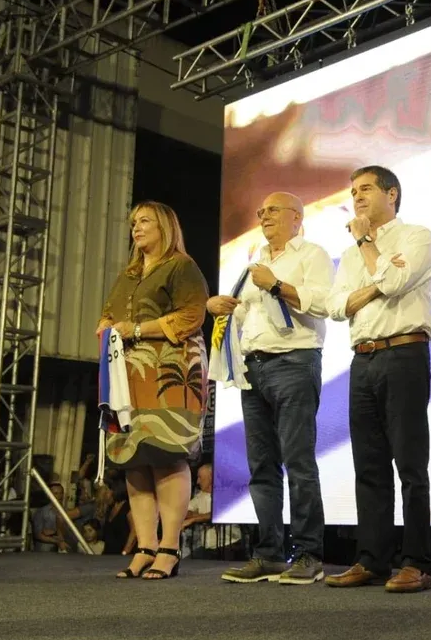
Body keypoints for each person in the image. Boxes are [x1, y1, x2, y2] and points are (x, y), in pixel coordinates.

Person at [324, 166, 431, 593]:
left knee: (410, 463)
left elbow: (394, 281)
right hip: (363, 359)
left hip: (404, 353)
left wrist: (367, 246)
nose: (357, 197)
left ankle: (416, 562)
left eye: (366, 188)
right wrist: (376, 284)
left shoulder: (416, 236)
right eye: (353, 191)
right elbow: (336, 307)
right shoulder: (350, 253)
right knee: (368, 465)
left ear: (392, 194)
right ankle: (371, 559)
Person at [212, 192, 334, 585]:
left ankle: (309, 554)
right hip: (254, 368)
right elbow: (250, 314)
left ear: (297, 217)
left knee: (298, 462)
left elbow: (323, 304)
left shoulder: (312, 254)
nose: (264, 215)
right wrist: (225, 308)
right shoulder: (255, 260)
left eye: (273, 210)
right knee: (261, 467)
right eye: (261, 211)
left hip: (294, 363)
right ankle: (269, 555)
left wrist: (278, 285)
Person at [96, 200, 210, 580]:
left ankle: (169, 548)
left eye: (144, 221)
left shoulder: (181, 266)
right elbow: (111, 313)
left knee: (166, 455)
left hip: (170, 374)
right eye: (133, 222)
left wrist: (137, 329)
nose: (136, 228)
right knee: (135, 459)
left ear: (164, 226)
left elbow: (192, 315)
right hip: (129, 375)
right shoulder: (128, 274)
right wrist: (105, 325)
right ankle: (145, 546)